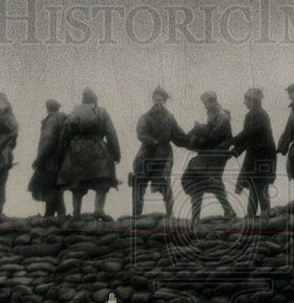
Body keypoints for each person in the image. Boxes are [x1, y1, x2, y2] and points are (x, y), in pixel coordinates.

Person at [56, 88, 121, 220]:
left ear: (83, 99)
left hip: (76, 150)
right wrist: (116, 154)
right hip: (98, 149)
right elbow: (111, 134)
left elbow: (64, 134)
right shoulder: (101, 111)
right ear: (95, 100)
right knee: (103, 180)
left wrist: (60, 153)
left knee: (76, 183)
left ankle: (76, 212)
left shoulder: (74, 112)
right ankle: (99, 210)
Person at [130, 87, 188, 219]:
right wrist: (152, 141)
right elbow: (141, 133)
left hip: (163, 154)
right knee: (139, 182)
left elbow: (178, 136)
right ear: (153, 100)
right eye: (156, 100)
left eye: (161, 100)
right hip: (146, 153)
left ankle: (170, 213)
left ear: (164, 101)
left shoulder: (169, 118)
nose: (158, 102)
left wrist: (192, 141)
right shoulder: (145, 117)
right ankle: (136, 215)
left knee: (164, 183)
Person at [182, 91, 236, 224]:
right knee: (200, 181)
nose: (205, 106)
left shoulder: (221, 115)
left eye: (206, 103)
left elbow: (215, 136)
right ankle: (196, 217)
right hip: (211, 152)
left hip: (218, 153)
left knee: (205, 177)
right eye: (204, 103)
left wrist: (200, 138)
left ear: (213, 101)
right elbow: (210, 133)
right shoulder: (213, 114)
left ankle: (228, 210)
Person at [230, 88, 276, 218]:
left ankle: (263, 215)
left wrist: (230, 143)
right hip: (259, 156)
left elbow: (248, 134)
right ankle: (255, 215)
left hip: (262, 156)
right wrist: (234, 151)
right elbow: (248, 138)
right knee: (256, 186)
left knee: (260, 186)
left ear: (253, 101)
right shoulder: (258, 114)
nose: (244, 103)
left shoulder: (257, 115)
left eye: (246, 100)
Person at [28, 99, 68, 217]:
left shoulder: (51, 120)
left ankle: (60, 216)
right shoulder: (63, 119)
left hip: (49, 161)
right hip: (61, 160)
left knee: (50, 189)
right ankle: (50, 215)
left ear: (48, 108)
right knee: (55, 189)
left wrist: (39, 159)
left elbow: (48, 141)